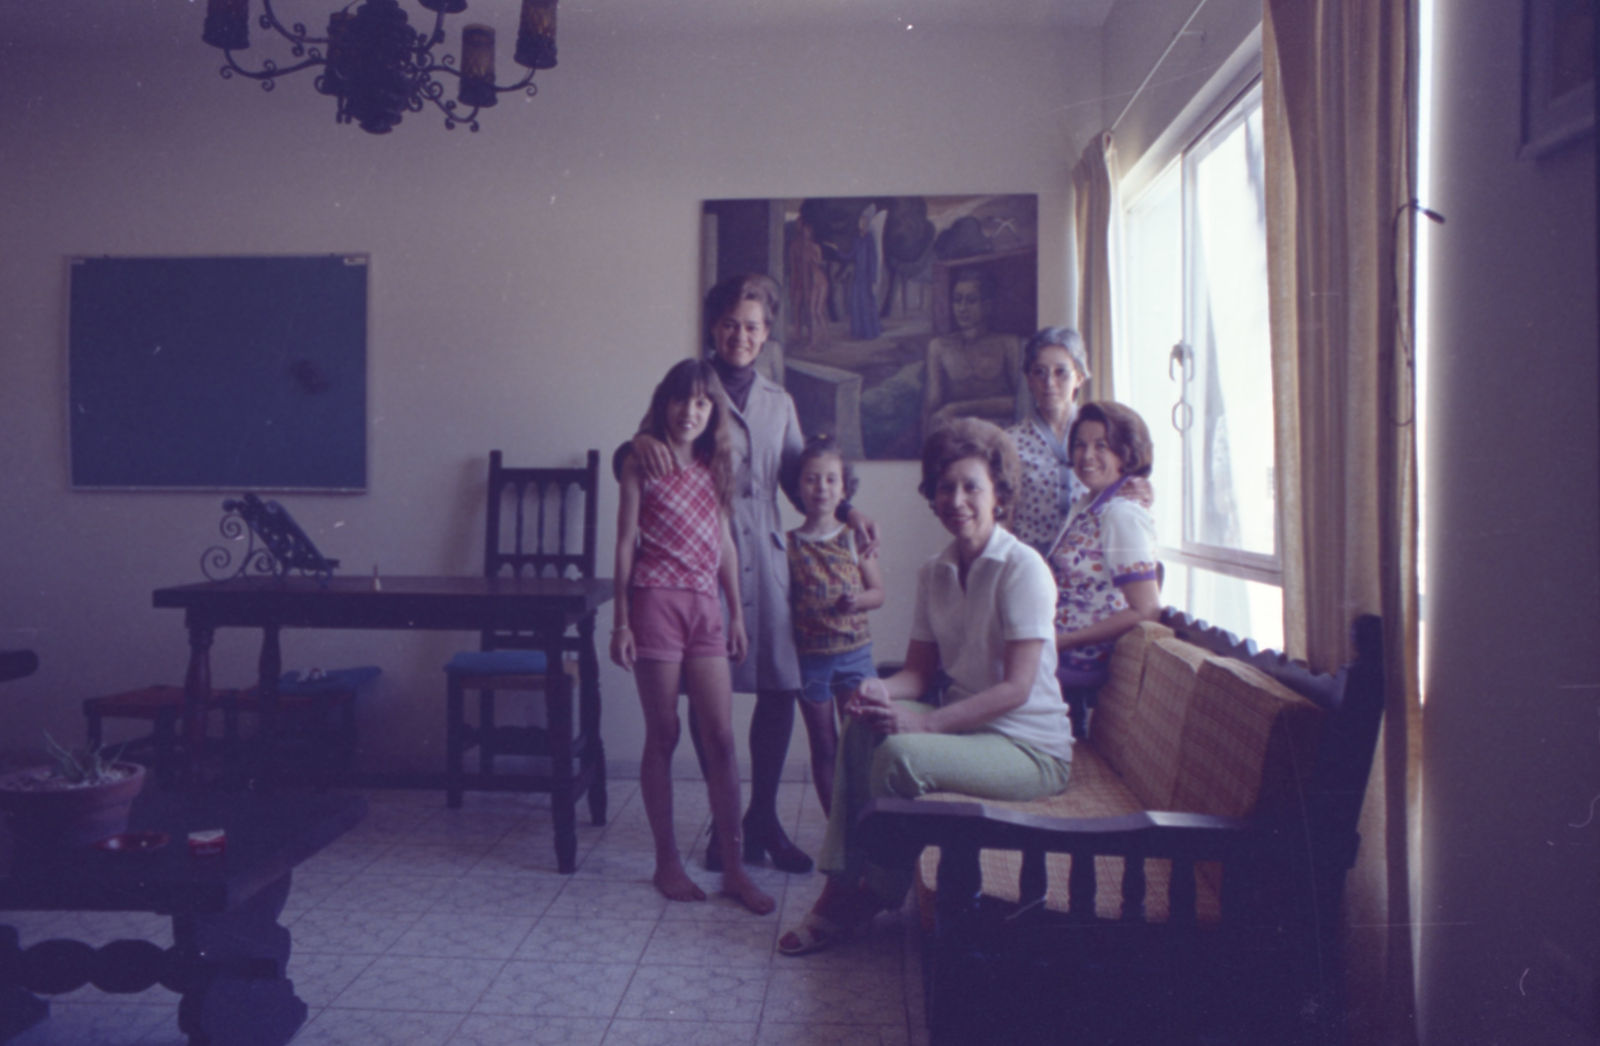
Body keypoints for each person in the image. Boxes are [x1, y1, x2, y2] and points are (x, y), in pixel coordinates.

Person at [778, 418, 1072, 955]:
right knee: (861, 728)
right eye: (944, 486)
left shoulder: (1023, 568)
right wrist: (877, 691)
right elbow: (917, 673)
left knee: (900, 756)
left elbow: (1017, 689)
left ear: (999, 496)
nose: (955, 499)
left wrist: (922, 723)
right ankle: (839, 887)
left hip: (1030, 748)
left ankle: (870, 896)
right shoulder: (934, 571)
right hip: (971, 734)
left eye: (971, 486)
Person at [621, 274, 878, 876]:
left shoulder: (778, 401)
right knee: (707, 700)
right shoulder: (689, 386)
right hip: (693, 556)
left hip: (763, 556)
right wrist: (631, 443)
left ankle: (761, 818)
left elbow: (800, 479)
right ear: (715, 326)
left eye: (754, 326)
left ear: (767, 335)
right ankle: (725, 827)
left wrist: (847, 509)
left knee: (780, 685)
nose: (741, 335)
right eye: (732, 323)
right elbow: (640, 453)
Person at [610, 359, 774, 915]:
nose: (691, 411)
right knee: (664, 733)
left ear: (713, 412)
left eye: (703, 403)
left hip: (707, 608)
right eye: (682, 400)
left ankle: (734, 867)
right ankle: (666, 862)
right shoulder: (642, 459)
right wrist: (622, 621)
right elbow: (625, 542)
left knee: (722, 738)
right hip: (654, 602)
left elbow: (725, 542)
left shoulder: (716, 462)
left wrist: (737, 614)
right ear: (665, 402)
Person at [786, 434, 885, 816]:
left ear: (844, 488)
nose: (821, 488)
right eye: (811, 479)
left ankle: (866, 820)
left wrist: (856, 601)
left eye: (830, 479)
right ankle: (836, 827)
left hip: (855, 657)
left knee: (859, 743)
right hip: (810, 661)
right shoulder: (789, 543)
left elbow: (878, 592)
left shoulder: (853, 539)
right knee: (824, 746)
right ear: (797, 486)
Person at [1049, 401, 1162, 735]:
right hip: (1059, 653)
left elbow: (1147, 609)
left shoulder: (1120, 514)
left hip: (1080, 665)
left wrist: (1062, 641)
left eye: (1102, 446)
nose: (1087, 456)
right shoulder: (1088, 504)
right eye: (1080, 445)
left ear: (1125, 454)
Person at [1007, 327, 1154, 555]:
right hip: (1030, 566)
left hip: (1091, 565)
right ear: (1029, 379)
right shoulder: (1010, 443)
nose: (1049, 382)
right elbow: (1002, 517)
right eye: (1040, 372)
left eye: (1061, 372)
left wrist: (1142, 489)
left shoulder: (1105, 433)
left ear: (1080, 376)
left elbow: (1129, 487)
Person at [922, 268, 1024, 436]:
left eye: (971, 300)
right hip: (955, 432)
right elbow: (932, 403)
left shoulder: (1008, 344)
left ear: (987, 305)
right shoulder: (938, 347)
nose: (962, 308)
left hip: (1000, 432)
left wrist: (956, 408)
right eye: (957, 300)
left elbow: (1018, 402)